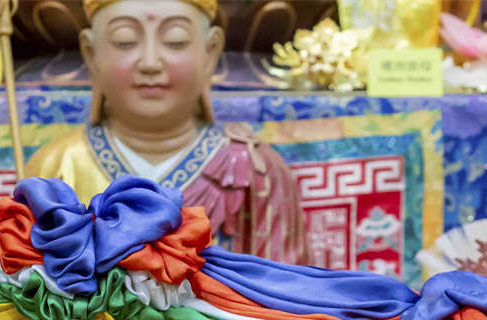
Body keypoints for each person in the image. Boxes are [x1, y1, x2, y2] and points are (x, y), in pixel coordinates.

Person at [25, 0, 309, 266]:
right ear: (91, 53)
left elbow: (285, 289)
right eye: (125, 41)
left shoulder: (253, 171)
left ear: (211, 51)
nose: (150, 63)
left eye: (175, 41)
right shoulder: (55, 168)